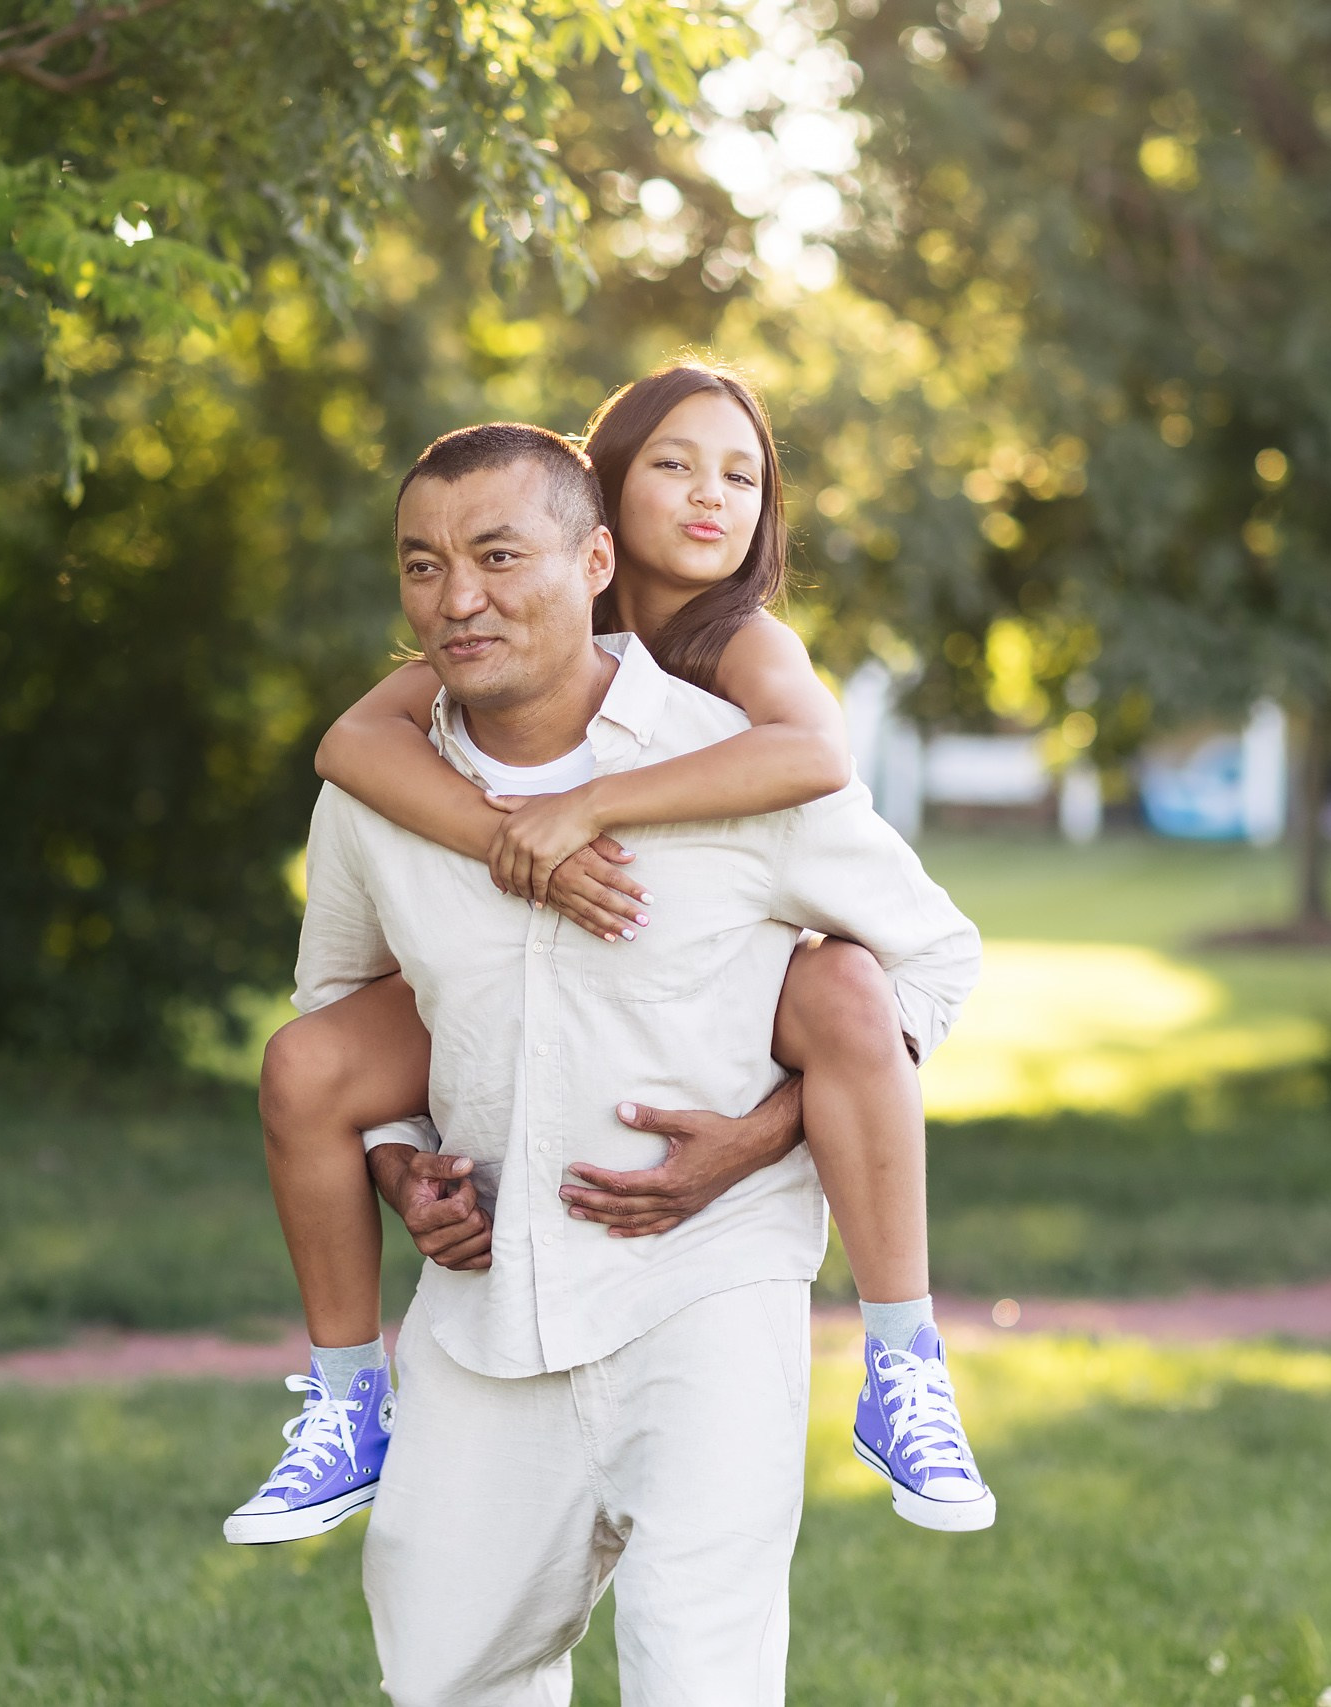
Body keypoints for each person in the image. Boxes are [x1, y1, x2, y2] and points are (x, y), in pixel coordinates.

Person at [242, 417, 982, 1700]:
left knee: (699, 1673)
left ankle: (903, 1364)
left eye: (495, 556)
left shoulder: (729, 756)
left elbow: (931, 963)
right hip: (482, 1312)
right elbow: (338, 1014)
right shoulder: (376, 793)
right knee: (442, 1675)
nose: (456, 599)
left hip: (706, 1290)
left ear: (593, 563)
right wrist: (396, 1166)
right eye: (420, 566)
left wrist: (761, 1137)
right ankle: (345, 1403)